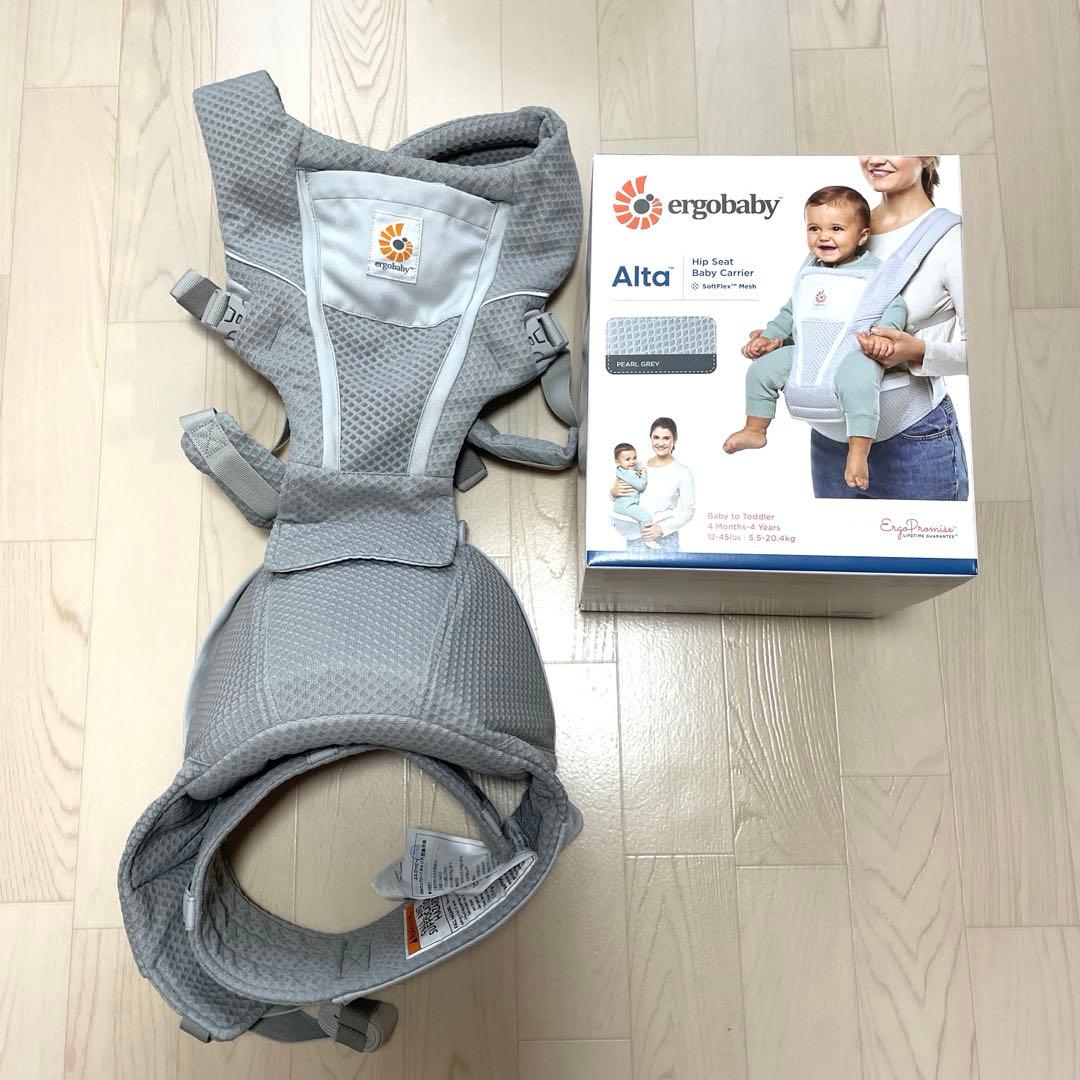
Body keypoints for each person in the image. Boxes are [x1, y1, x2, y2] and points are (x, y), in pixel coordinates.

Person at [723, 186, 908, 489]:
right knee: (761, 370)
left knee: (860, 382)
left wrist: (885, 335)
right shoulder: (809, 273)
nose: (823, 237)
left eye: (836, 229)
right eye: (814, 228)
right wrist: (770, 337)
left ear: (862, 236)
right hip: (807, 350)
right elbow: (790, 312)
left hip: (855, 350)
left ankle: (858, 451)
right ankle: (755, 429)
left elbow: (895, 304)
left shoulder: (874, 272)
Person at [807, 156, 968, 500]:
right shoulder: (839, 223)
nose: (876, 158)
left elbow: (988, 352)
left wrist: (916, 351)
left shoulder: (952, 241)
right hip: (830, 440)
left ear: (927, 155)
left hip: (912, 442)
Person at [609, 418, 695, 554]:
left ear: (675, 440)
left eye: (666, 438)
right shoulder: (638, 466)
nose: (660, 443)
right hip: (635, 537)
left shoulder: (682, 471)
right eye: (656, 437)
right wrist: (613, 492)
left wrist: (661, 528)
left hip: (665, 539)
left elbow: (689, 511)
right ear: (650, 438)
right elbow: (622, 496)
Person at [611, 443, 660, 549]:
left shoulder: (620, 470)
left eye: (634, 458)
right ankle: (648, 540)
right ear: (617, 462)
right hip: (627, 505)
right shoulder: (630, 473)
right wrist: (643, 474)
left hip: (620, 504)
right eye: (627, 459)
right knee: (646, 517)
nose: (632, 462)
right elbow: (641, 486)